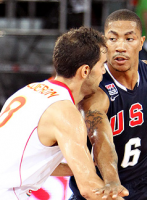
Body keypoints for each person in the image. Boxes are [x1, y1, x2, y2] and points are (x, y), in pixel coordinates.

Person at [69, 9, 147, 200]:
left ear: (141, 42)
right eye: (113, 39)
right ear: (103, 42)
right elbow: (100, 138)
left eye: (129, 39)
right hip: (102, 185)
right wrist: (112, 181)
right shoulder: (95, 91)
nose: (120, 47)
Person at [0, 27, 126, 199]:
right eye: (102, 64)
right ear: (85, 71)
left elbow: (26, 159)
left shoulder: (28, 91)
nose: (104, 71)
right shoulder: (64, 112)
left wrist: (83, 165)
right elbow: (90, 189)